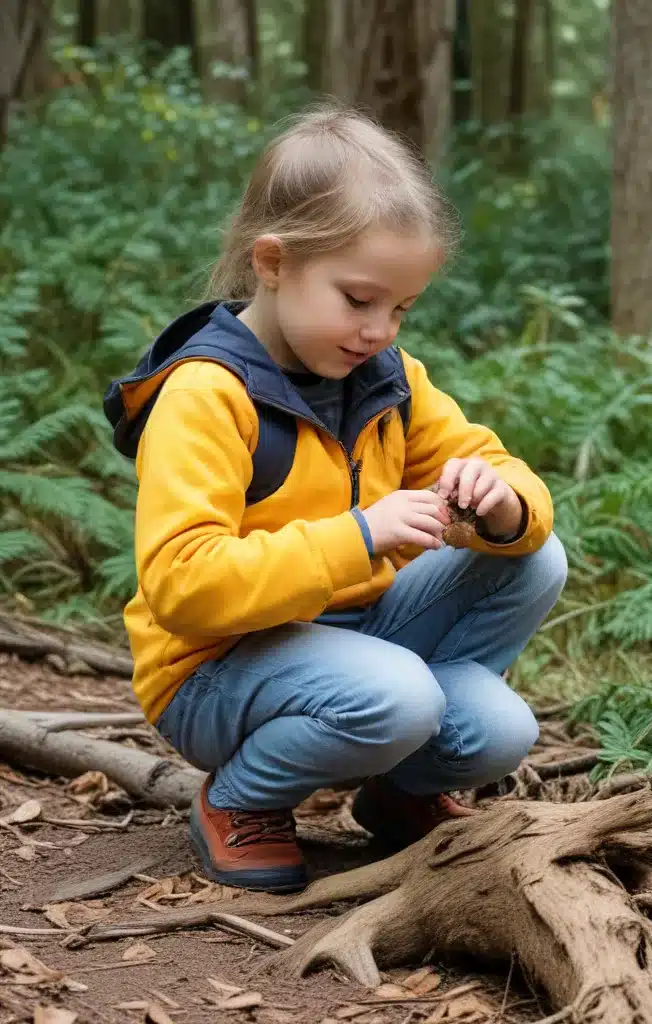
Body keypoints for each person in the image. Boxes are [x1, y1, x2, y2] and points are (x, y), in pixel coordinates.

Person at [103, 104, 567, 894]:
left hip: (358, 640)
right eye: (358, 300)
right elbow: (183, 585)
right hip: (216, 669)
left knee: (519, 641)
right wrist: (359, 536)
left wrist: (502, 503)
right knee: (399, 696)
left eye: (401, 308)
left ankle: (401, 794)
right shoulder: (207, 394)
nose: (380, 330)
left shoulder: (388, 380)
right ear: (275, 263)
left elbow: (496, 467)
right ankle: (239, 800)